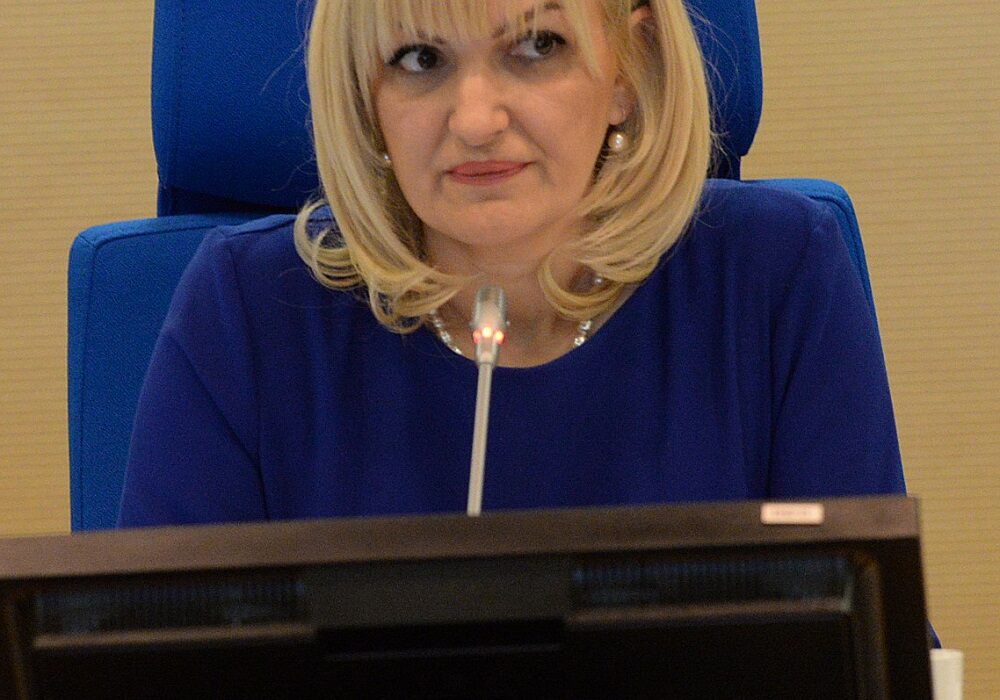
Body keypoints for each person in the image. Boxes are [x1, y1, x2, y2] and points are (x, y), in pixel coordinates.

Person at [118, 0, 905, 527]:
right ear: (366, 96)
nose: (475, 119)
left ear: (628, 67)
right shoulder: (246, 313)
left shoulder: (777, 277)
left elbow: (870, 655)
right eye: (420, 57)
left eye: (536, 46)